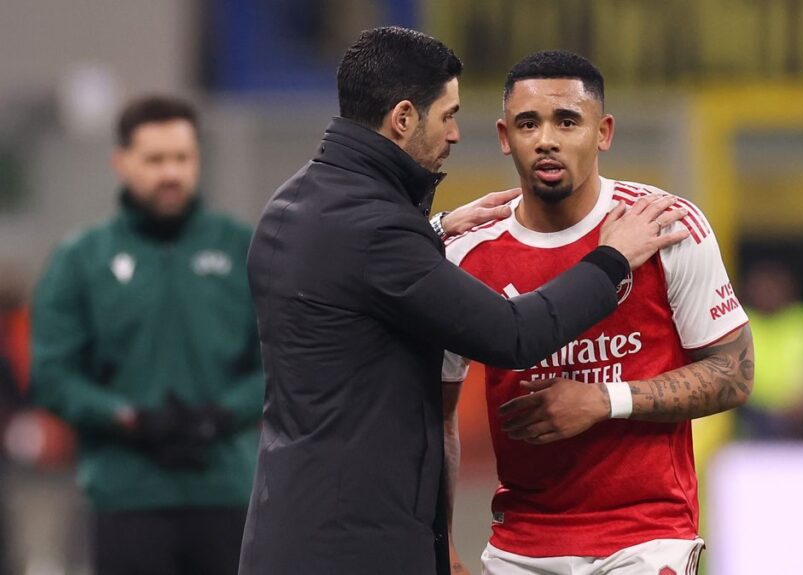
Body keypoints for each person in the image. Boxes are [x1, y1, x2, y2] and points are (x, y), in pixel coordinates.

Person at [240, 27, 688, 575]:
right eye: (448, 115)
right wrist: (611, 261)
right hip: (357, 540)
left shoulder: (295, 202)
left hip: (286, 524)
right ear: (404, 118)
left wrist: (430, 231)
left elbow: (354, 276)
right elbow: (512, 334)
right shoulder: (378, 231)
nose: (454, 134)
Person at [442, 51, 754, 575]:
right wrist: (441, 548)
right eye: (528, 123)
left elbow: (735, 375)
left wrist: (603, 399)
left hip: (646, 538)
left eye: (567, 121)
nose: (547, 138)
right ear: (503, 136)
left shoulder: (665, 226)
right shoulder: (467, 256)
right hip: (520, 543)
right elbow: (436, 416)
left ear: (603, 131)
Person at [31, 96, 263, 575]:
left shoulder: (242, 248)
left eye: (182, 158)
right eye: (155, 160)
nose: (171, 173)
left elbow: (279, 362)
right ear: (122, 162)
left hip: (226, 490)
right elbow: (53, 373)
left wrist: (220, 415)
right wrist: (127, 417)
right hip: (126, 496)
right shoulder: (81, 259)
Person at [738, 260, 803, 439]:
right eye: (762, 285)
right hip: (751, 417)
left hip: (801, 418)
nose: (768, 291)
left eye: (774, 284)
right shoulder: (738, 320)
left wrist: (800, 407)